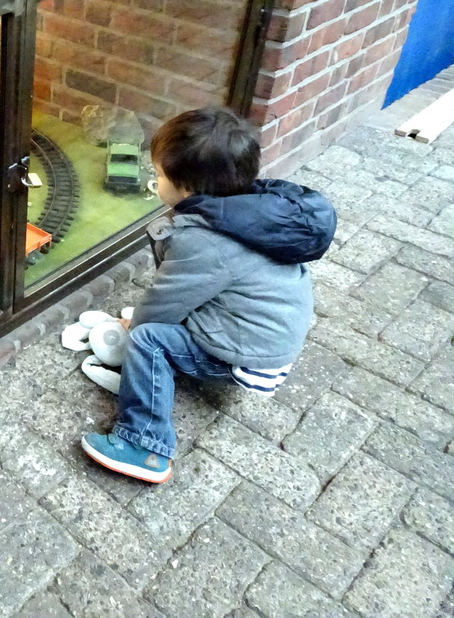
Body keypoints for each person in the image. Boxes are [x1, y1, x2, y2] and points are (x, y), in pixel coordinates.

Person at [80, 108, 336, 484]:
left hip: (250, 359)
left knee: (150, 339)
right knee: (167, 319)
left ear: (185, 188)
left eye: (159, 175)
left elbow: (165, 300)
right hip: (267, 336)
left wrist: (134, 324)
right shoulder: (248, 210)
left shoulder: (204, 240)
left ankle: (144, 445)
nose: (155, 180)